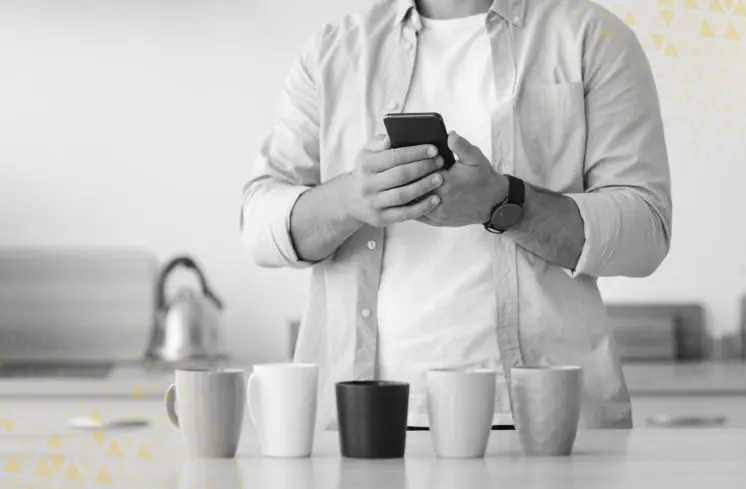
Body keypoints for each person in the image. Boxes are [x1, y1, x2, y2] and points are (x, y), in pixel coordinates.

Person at [240, 0, 671, 430]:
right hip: (361, 424)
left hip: (545, 421)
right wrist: (351, 198)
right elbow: (259, 226)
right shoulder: (332, 51)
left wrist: (503, 203)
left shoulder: (591, 37)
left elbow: (646, 230)